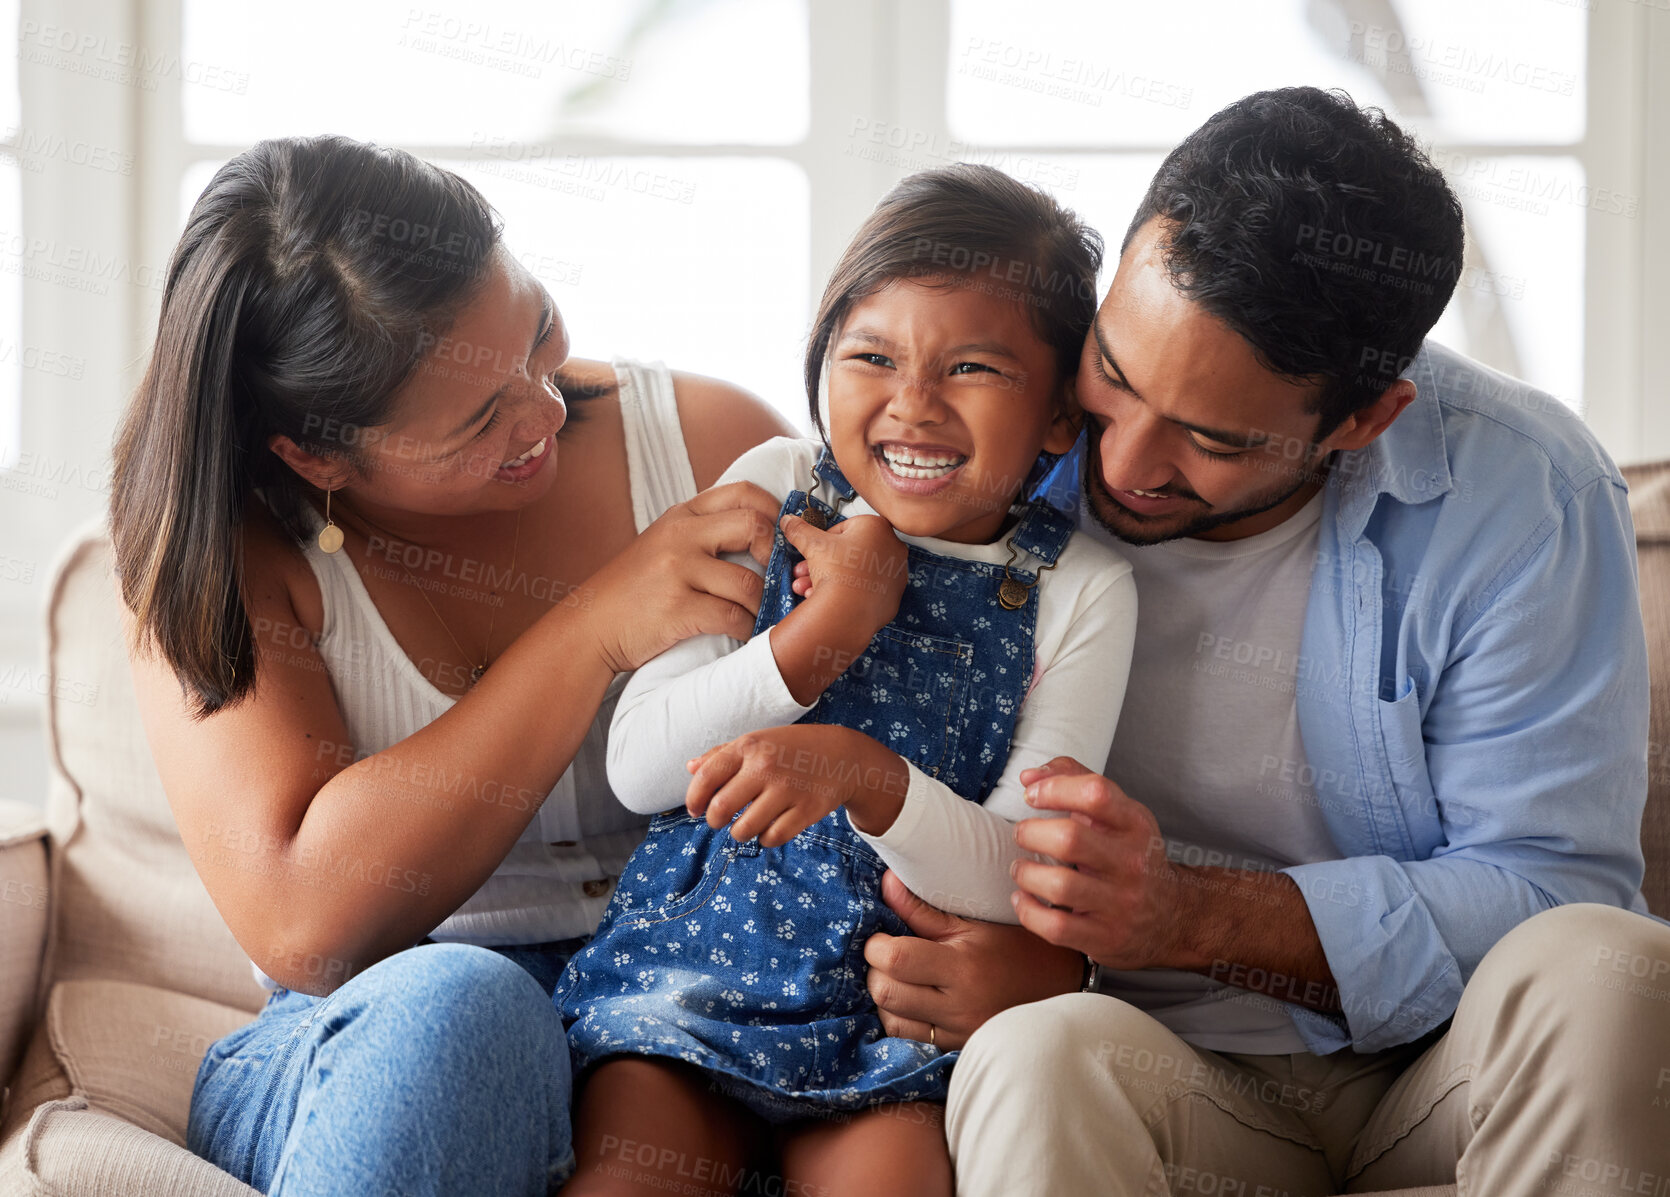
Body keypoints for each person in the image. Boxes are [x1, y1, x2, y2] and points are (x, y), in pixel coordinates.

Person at [857, 88, 1670, 1195]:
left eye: (1212, 438)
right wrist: (1056, 956)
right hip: (1146, 1061)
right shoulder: (989, 433)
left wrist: (1184, 915)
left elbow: (1544, 890)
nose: (1125, 466)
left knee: (1610, 969)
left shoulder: (1523, 490)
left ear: (1362, 419)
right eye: (1116, 376)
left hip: (1436, 1072)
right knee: (1029, 1052)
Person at [111, 134, 796, 1196]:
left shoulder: (709, 443)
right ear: (318, 457)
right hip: (381, 1043)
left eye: (538, 332)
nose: (544, 408)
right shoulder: (223, 546)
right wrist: (586, 635)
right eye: (480, 419)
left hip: (698, 1005)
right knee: (461, 1005)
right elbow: (304, 928)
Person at [554, 165, 1137, 1195]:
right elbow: (640, 769)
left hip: (892, 1019)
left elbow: (1014, 879)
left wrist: (868, 778)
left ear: (1058, 416)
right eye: (869, 356)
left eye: (971, 369)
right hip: (689, 982)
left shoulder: (1077, 589)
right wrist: (821, 636)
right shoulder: (769, 489)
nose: (911, 406)